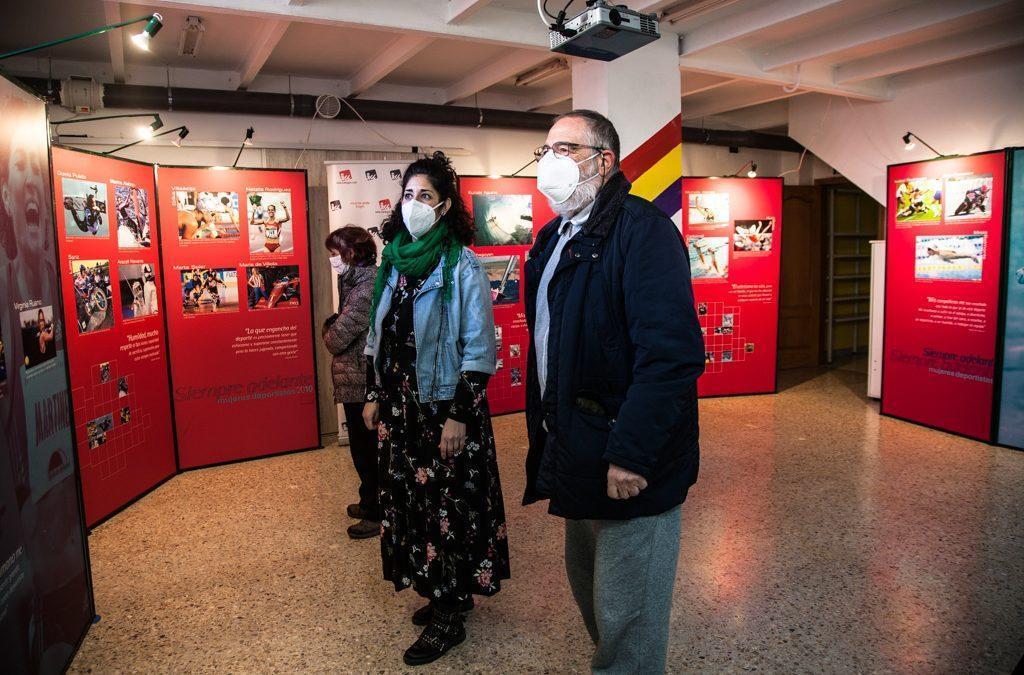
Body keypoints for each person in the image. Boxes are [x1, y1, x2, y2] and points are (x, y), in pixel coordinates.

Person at [523, 110, 705, 674]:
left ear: (603, 161)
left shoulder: (642, 230)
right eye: (546, 149)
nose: (550, 161)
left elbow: (671, 356)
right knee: (594, 595)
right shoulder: (555, 236)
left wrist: (631, 452)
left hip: (628, 454)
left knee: (629, 615)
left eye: (566, 149)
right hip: (576, 443)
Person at [362, 152, 510, 666]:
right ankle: (441, 591)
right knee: (414, 508)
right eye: (408, 194)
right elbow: (379, 336)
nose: (414, 204)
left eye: (425, 196)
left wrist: (459, 417)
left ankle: (450, 614)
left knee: (448, 510)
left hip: (442, 408)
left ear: (445, 205)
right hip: (402, 411)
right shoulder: (395, 262)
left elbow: (479, 349)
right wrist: (375, 393)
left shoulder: (460, 264)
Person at [321, 226, 380, 540]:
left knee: (366, 450)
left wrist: (328, 328)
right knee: (362, 448)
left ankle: (375, 512)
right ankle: (368, 500)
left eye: (335, 253)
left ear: (352, 253)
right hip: (354, 378)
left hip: (362, 380)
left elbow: (337, 337)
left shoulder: (366, 286)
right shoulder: (353, 282)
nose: (333, 259)